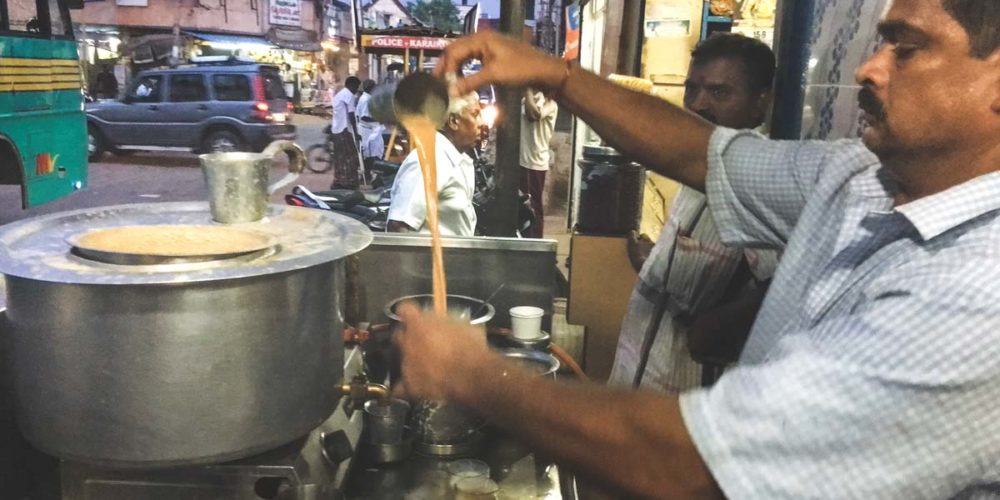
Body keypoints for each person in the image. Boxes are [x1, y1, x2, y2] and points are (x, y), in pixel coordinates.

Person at [394, 0, 1000, 497]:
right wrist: (556, 74)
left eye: (907, 47)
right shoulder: (858, 179)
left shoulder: (982, 295)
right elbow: (699, 152)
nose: (869, 68)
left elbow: (707, 465)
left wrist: (474, 375)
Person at [609, 34, 780, 393]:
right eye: (692, 89)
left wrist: (707, 330)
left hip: (685, 401)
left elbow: (781, 290)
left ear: (760, 103)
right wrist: (653, 261)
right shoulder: (698, 165)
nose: (698, 104)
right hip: (640, 382)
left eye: (719, 93)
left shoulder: (757, 180)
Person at [386, 92, 482, 237]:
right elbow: (398, 226)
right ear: (453, 121)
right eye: (475, 115)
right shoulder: (431, 160)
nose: (482, 123)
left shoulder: (457, 158)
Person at [519, 88, 558, 238]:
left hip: (535, 162)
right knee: (522, 205)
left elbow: (533, 114)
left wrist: (527, 90)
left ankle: (536, 241)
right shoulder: (525, 99)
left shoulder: (549, 102)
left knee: (533, 206)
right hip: (522, 159)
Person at [330, 76, 363, 189]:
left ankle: (339, 180)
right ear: (352, 85)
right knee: (350, 157)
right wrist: (356, 133)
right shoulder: (349, 95)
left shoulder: (339, 94)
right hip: (344, 130)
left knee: (340, 157)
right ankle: (349, 182)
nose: (357, 89)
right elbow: (351, 115)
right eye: (357, 87)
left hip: (336, 129)